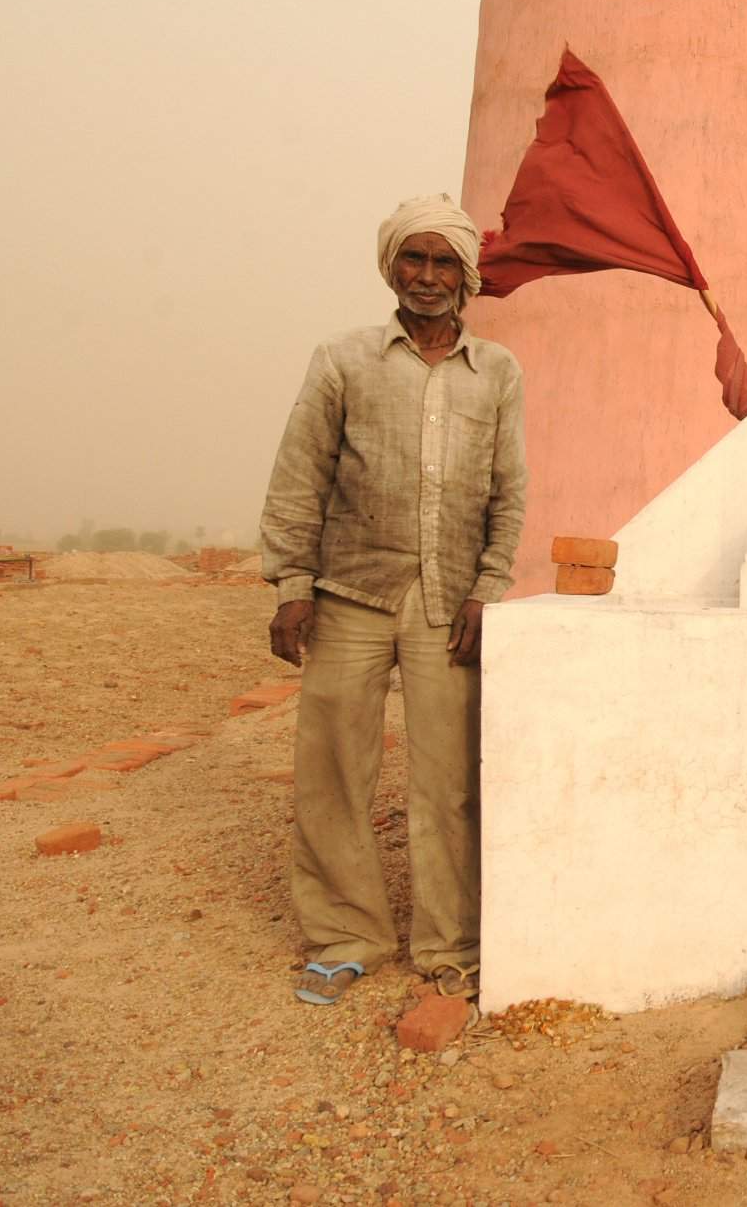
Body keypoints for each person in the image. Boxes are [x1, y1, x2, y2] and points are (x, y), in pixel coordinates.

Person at [260, 195, 527, 1005]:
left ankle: (453, 941)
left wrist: (489, 587)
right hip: (349, 591)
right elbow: (301, 473)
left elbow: (508, 494)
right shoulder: (344, 360)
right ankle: (348, 934)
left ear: (467, 277)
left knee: (449, 777)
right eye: (414, 259)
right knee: (334, 769)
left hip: (448, 603)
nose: (428, 276)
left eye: (445, 262)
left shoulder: (499, 373)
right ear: (391, 267)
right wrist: (290, 584)